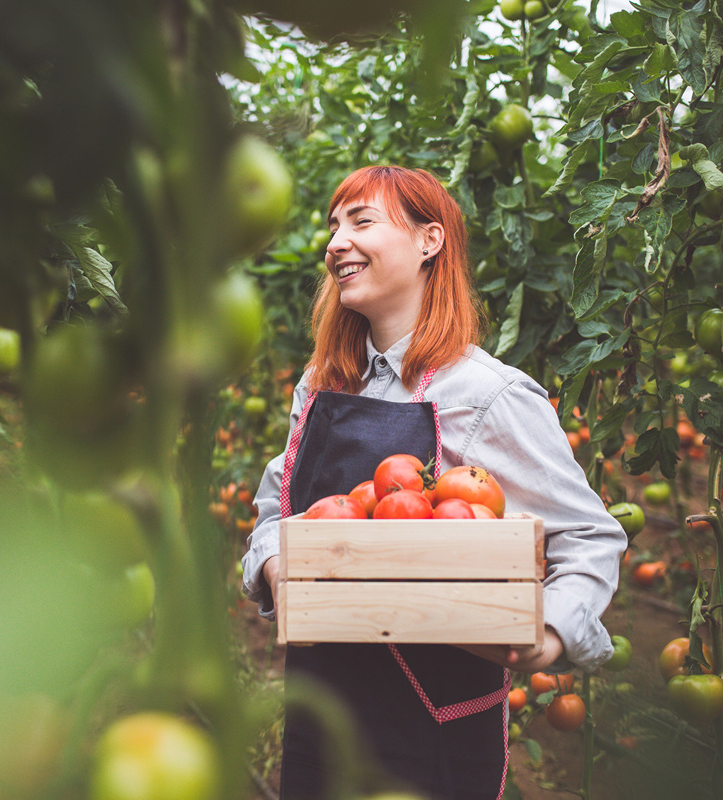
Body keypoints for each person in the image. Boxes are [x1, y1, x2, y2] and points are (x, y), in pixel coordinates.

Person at [241, 165, 627, 800]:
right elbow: (275, 508)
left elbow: (588, 536)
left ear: (430, 241)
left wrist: (551, 629)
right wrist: (277, 563)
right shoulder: (321, 385)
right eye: (333, 226)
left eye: (361, 222)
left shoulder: (485, 394)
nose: (336, 241)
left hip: (429, 726)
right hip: (321, 712)